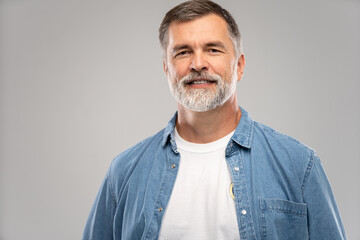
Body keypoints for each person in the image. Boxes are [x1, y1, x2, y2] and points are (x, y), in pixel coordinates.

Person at [82, 0, 347, 239]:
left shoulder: (299, 165)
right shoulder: (124, 172)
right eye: (183, 52)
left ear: (239, 65)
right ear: (166, 68)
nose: (198, 63)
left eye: (213, 50)